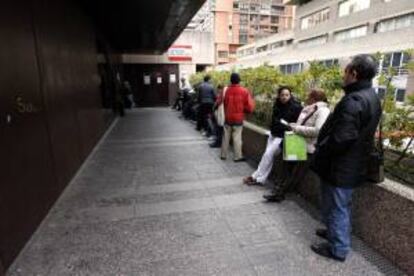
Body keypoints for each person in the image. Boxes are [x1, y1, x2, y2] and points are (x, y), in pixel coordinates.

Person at [310, 55, 382, 262]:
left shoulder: (354, 100)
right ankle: (333, 232)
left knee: (338, 207)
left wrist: (321, 148)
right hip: (353, 164)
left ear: (354, 74)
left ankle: (338, 248)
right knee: (339, 205)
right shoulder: (371, 96)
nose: (343, 74)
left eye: (346, 71)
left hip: (341, 167)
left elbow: (342, 138)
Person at [263, 89, 330, 202]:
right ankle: (278, 190)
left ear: (314, 98)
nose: (307, 98)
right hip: (298, 143)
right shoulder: (310, 108)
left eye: (309, 96)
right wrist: (295, 125)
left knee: (295, 173)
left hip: (307, 147)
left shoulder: (322, 111)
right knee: (286, 167)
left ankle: (280, 193)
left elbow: (318, 130)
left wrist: (297, 128)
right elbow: (304, 123)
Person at [243, 86, 302, 185]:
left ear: (290, 95)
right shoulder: (277, 105)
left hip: (283, 136)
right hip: (273, 134)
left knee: (268, 155)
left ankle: (254, 176)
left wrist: (283, 125)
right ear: (279, 96)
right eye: (282, 95)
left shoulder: (296, 107)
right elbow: (274, 120)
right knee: (268, 156)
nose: (284, 97)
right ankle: (260, 179)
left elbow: (295, 124)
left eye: (287, 95)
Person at [220, 73, 255, 162]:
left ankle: (223, 155)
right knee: (237, 138)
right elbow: (249, 107)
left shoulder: (226, 90)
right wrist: (247, 111)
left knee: (225, 136)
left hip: (227, 117)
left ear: (230, 80)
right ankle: (237, 156)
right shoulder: (244, 91)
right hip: (238, 118)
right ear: (239, 80)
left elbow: (220, 101)